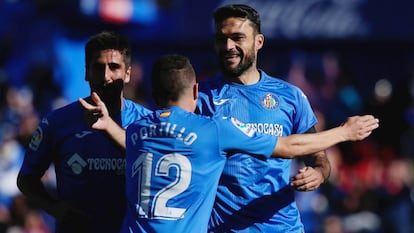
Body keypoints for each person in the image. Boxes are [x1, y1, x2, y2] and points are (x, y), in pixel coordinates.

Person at [79, 54, 379, 232]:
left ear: (154, 94)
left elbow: (130, 145)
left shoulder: (139, 130)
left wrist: (107, 126)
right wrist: (343, 132)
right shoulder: (214, 129)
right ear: (196, 91)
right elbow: (288, 147)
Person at [195, 4, 352, 232]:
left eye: (238, 38)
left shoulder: (290, 96)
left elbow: (318, 158)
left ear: (259, 42)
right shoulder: (199, 98)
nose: (228, 46)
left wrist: (318, 174)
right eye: (221, 39)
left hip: (282, 227)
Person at [16, 31, 152, 233]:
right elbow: (26, 178)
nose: (106, 76)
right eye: (98, 68)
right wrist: (53, 207)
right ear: (87, 72)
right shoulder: (57, 121)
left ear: (128, 73)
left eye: (114, 67)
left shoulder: (147, 121)